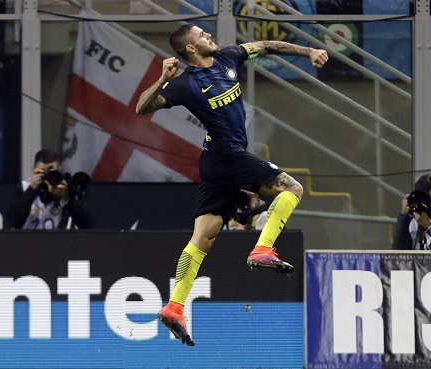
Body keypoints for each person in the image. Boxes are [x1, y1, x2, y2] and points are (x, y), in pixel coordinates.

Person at [135, 23, 328, 346]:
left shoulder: (229, 58)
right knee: (293, 189)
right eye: (202, 35)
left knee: (204, 236)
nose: (209, 35)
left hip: (215, 160)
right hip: (226, 156)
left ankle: (174, 306)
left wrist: (308, 51)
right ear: (190, 49)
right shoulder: (184, 84)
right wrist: (162, 79)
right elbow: (142, 107)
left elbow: (266, 46)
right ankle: (263, 248)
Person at [6, 149, 94, 230]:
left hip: (56, 244)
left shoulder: (65, 189)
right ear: (34, 170)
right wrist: (32, 189)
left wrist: (66, 199)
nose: (47, 176)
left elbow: (87, 225)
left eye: (52, 171)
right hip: (26, 243)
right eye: (42, 171)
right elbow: (13, 221)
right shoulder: (24, 188)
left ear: (60, 170)